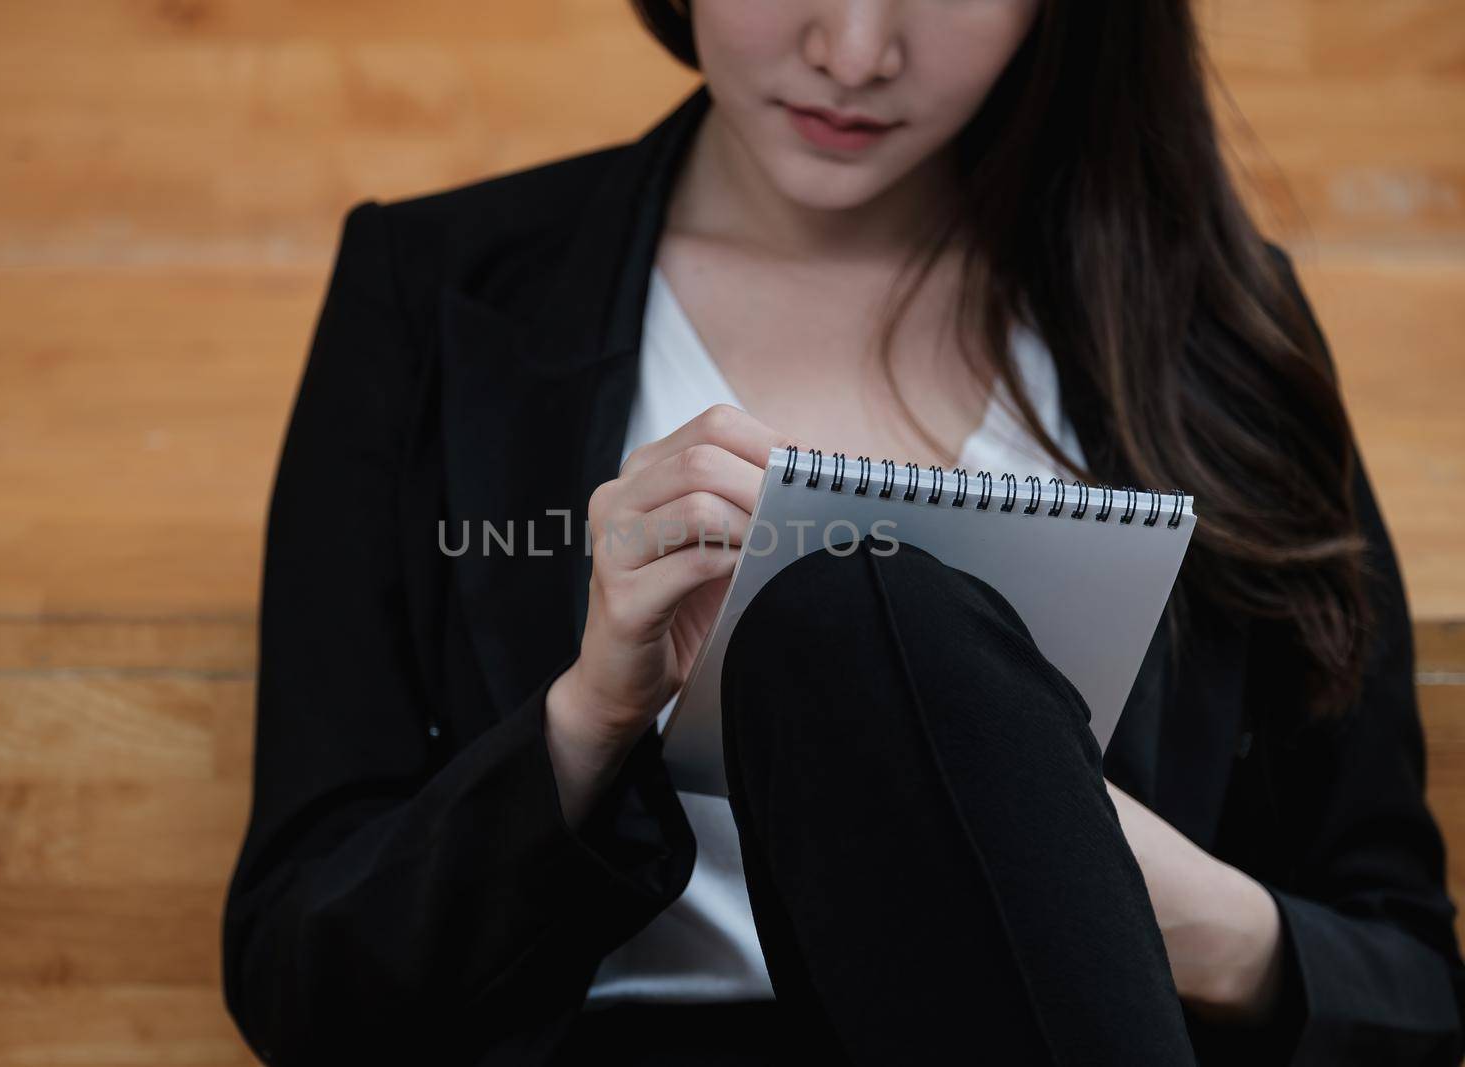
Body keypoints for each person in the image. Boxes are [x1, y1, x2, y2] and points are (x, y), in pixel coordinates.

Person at [220, 1, 1465, 1063]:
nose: (856, 50)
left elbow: (1411, 988)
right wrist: (587, 723)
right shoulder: (437, 292)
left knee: (853, 608)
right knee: (839, 610)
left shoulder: (1206, 326)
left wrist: (1137, 892)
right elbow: (302, 980)